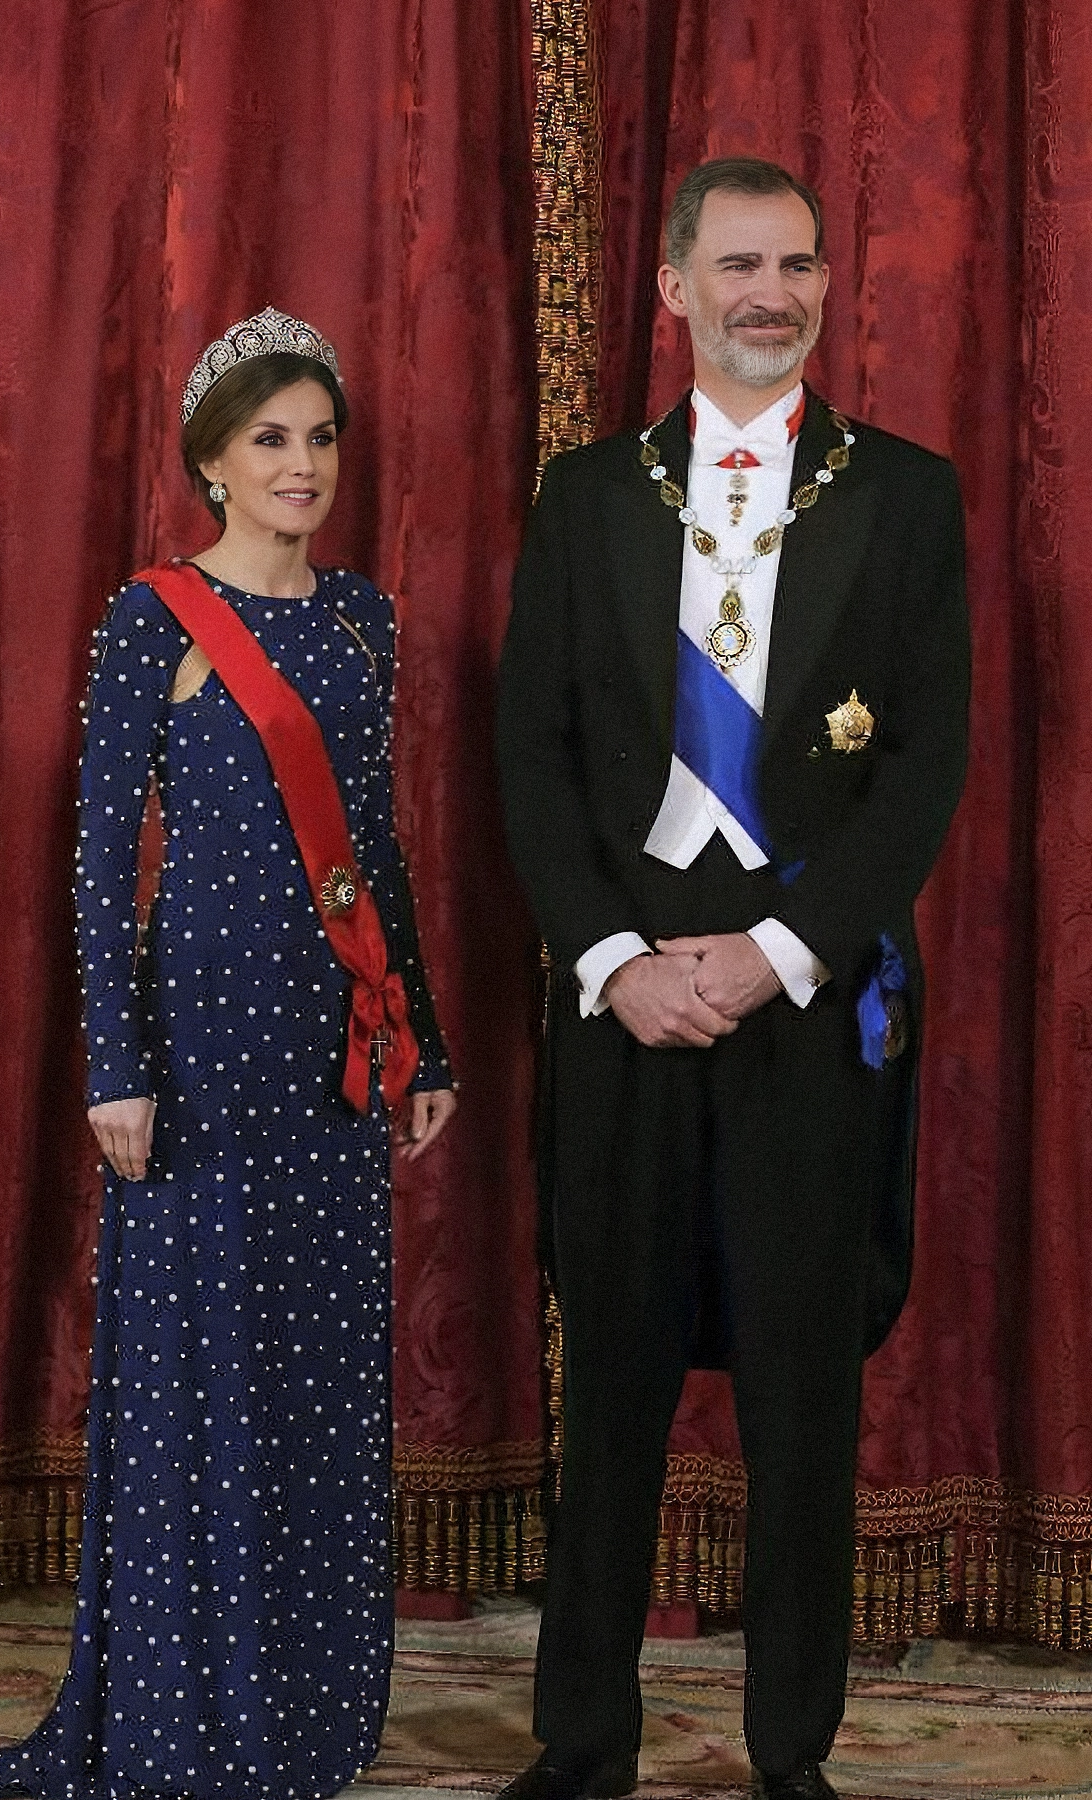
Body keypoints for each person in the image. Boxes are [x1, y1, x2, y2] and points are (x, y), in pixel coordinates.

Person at [0, 308, 455, 1800]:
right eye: (270, 439)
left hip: (334, 1049)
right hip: (202, 1045)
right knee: (199, 1375)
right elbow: (101, 862)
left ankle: (302, 1716)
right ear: (212, 460)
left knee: (317, 1381)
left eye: (321, 437)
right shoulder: (153, 618)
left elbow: (377, 854)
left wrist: (424, 1039)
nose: (302, 466)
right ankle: (182, 1715)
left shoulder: (363, 619)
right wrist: (116, 1064)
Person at [496, 159, 969, 1800]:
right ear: (676, 288)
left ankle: (790, 1759)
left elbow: (924, 768)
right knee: (612, 1395)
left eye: (799, 265)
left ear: (827, 284)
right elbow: (534, 757)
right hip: (625, 1004)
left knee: (800, 1403)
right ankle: (583, 1747)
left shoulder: (907, 495)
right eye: (741, 264)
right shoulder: (584, 496)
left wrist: (777, 955)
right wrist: (613, 960)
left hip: (806, 1004)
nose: (772, 294)